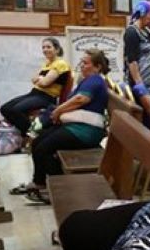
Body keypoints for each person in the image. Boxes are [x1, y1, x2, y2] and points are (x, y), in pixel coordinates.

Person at [9, 49, 110, 205]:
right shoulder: (87, 80)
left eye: (86, 63)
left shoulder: (95, 79)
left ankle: (59, 188)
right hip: (75, 125)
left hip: (85, 131)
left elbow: (81, 99)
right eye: (81, 62)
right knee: (38, 142)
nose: (82, 65)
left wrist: (58, 111)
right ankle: (40, 183)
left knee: (44, 148)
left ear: (97, 67)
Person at [0, 38, 70, 136]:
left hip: (47, 97)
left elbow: (45, 83)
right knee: (5, 108)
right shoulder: (47, 63)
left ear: (57, 49)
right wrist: (41, 79)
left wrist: (41, 78)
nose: (45, 49)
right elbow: (33, 79)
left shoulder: (61, 64)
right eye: (43, 47)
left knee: (16, 110)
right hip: (34, 93)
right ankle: (28, 132)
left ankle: (33, 134)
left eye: (48, 47)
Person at [123, 0, 150, 129]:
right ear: (141, 13)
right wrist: (139, 84)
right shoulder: (132, 32)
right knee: (147, 122)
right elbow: (132, 60)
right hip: (141, 85)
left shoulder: (147, 31)